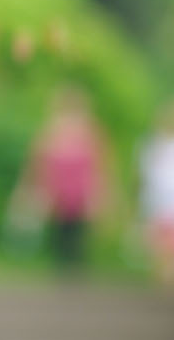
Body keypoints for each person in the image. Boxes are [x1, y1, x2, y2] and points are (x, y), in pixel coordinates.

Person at [18, 88, 108, 269]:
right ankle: (63, 263)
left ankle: (74, 263)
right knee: (61, 227)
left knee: (77, 229)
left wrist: (99, 190)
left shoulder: (89, 130)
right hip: (59, 187)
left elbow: (99, 163)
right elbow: (38, 160)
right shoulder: (52, 130)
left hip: (79, 188)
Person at [139, 107, 174, 290]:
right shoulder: (154, 146)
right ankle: (165, 280)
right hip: (160, 202)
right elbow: (148, 175)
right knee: (162, 244)